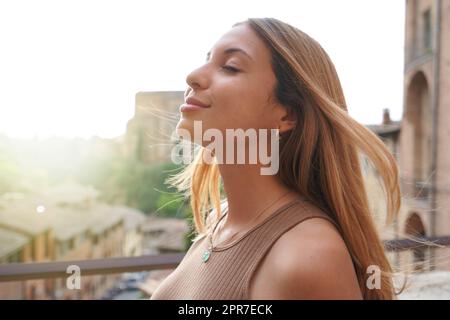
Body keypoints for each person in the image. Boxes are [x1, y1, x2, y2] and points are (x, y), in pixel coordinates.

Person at [150, 17, 401, 300]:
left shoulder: (308, 254)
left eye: (230, 67)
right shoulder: (218, 220)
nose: (193, 76)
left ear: (287, 115)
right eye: (207, 59)